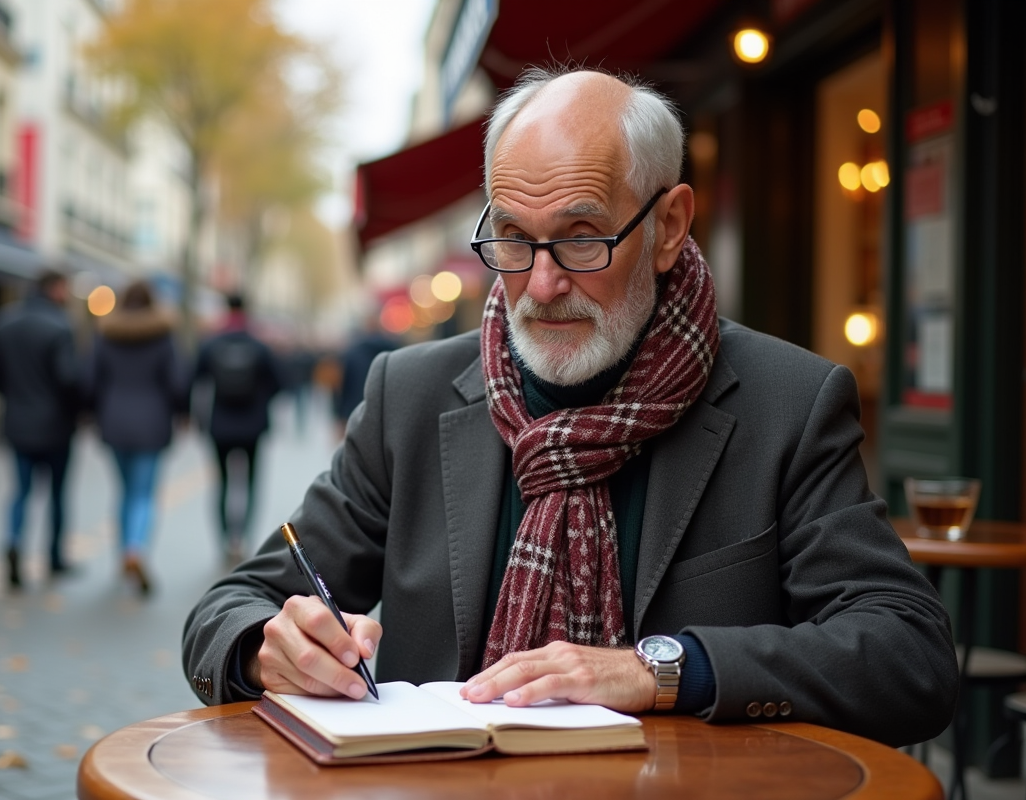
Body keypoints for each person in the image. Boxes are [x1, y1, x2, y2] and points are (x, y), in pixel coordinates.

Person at [182, 68, 957, 747]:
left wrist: (662, 669)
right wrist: (266, 645)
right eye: (513, 239)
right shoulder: (408, 398)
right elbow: (231, 605)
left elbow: (909, 655)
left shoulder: (787, 402)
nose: (542, 284)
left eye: (582, 238)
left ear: (668, 226)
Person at [85, 280, 186, 596]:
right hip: (152, 421)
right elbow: (178, 382)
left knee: (125, 491)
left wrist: (94, 411)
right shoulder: (163, 335)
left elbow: (89, 379)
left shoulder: (106, 334)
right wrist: (181, 412)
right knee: (144, 492)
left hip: (114, 420)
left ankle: (123, 554)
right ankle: (135, 549)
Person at [0, 269, 80, 590]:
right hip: (56, 427)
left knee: (20, 492)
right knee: (56, 494)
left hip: (17, 423)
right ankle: (54, 557)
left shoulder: (4, 322)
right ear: (55, 288)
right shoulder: (60, 326)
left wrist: (16, 395)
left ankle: (13, 541)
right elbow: (69, 379)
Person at [193, 294, 282, 565]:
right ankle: (242, 538)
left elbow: (196, 380)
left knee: (222, 484)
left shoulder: (211, 343)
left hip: (219, 424)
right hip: (252, 424)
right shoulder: (259, 345)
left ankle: (224, 539)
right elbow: (279, 382)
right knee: (251, 483)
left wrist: (196, 418)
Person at [332, 316, 399, 440]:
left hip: (355, 409)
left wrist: (338, 415)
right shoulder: (395, 350)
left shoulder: (352, 352)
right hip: (388, 410)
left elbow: (342, 385)